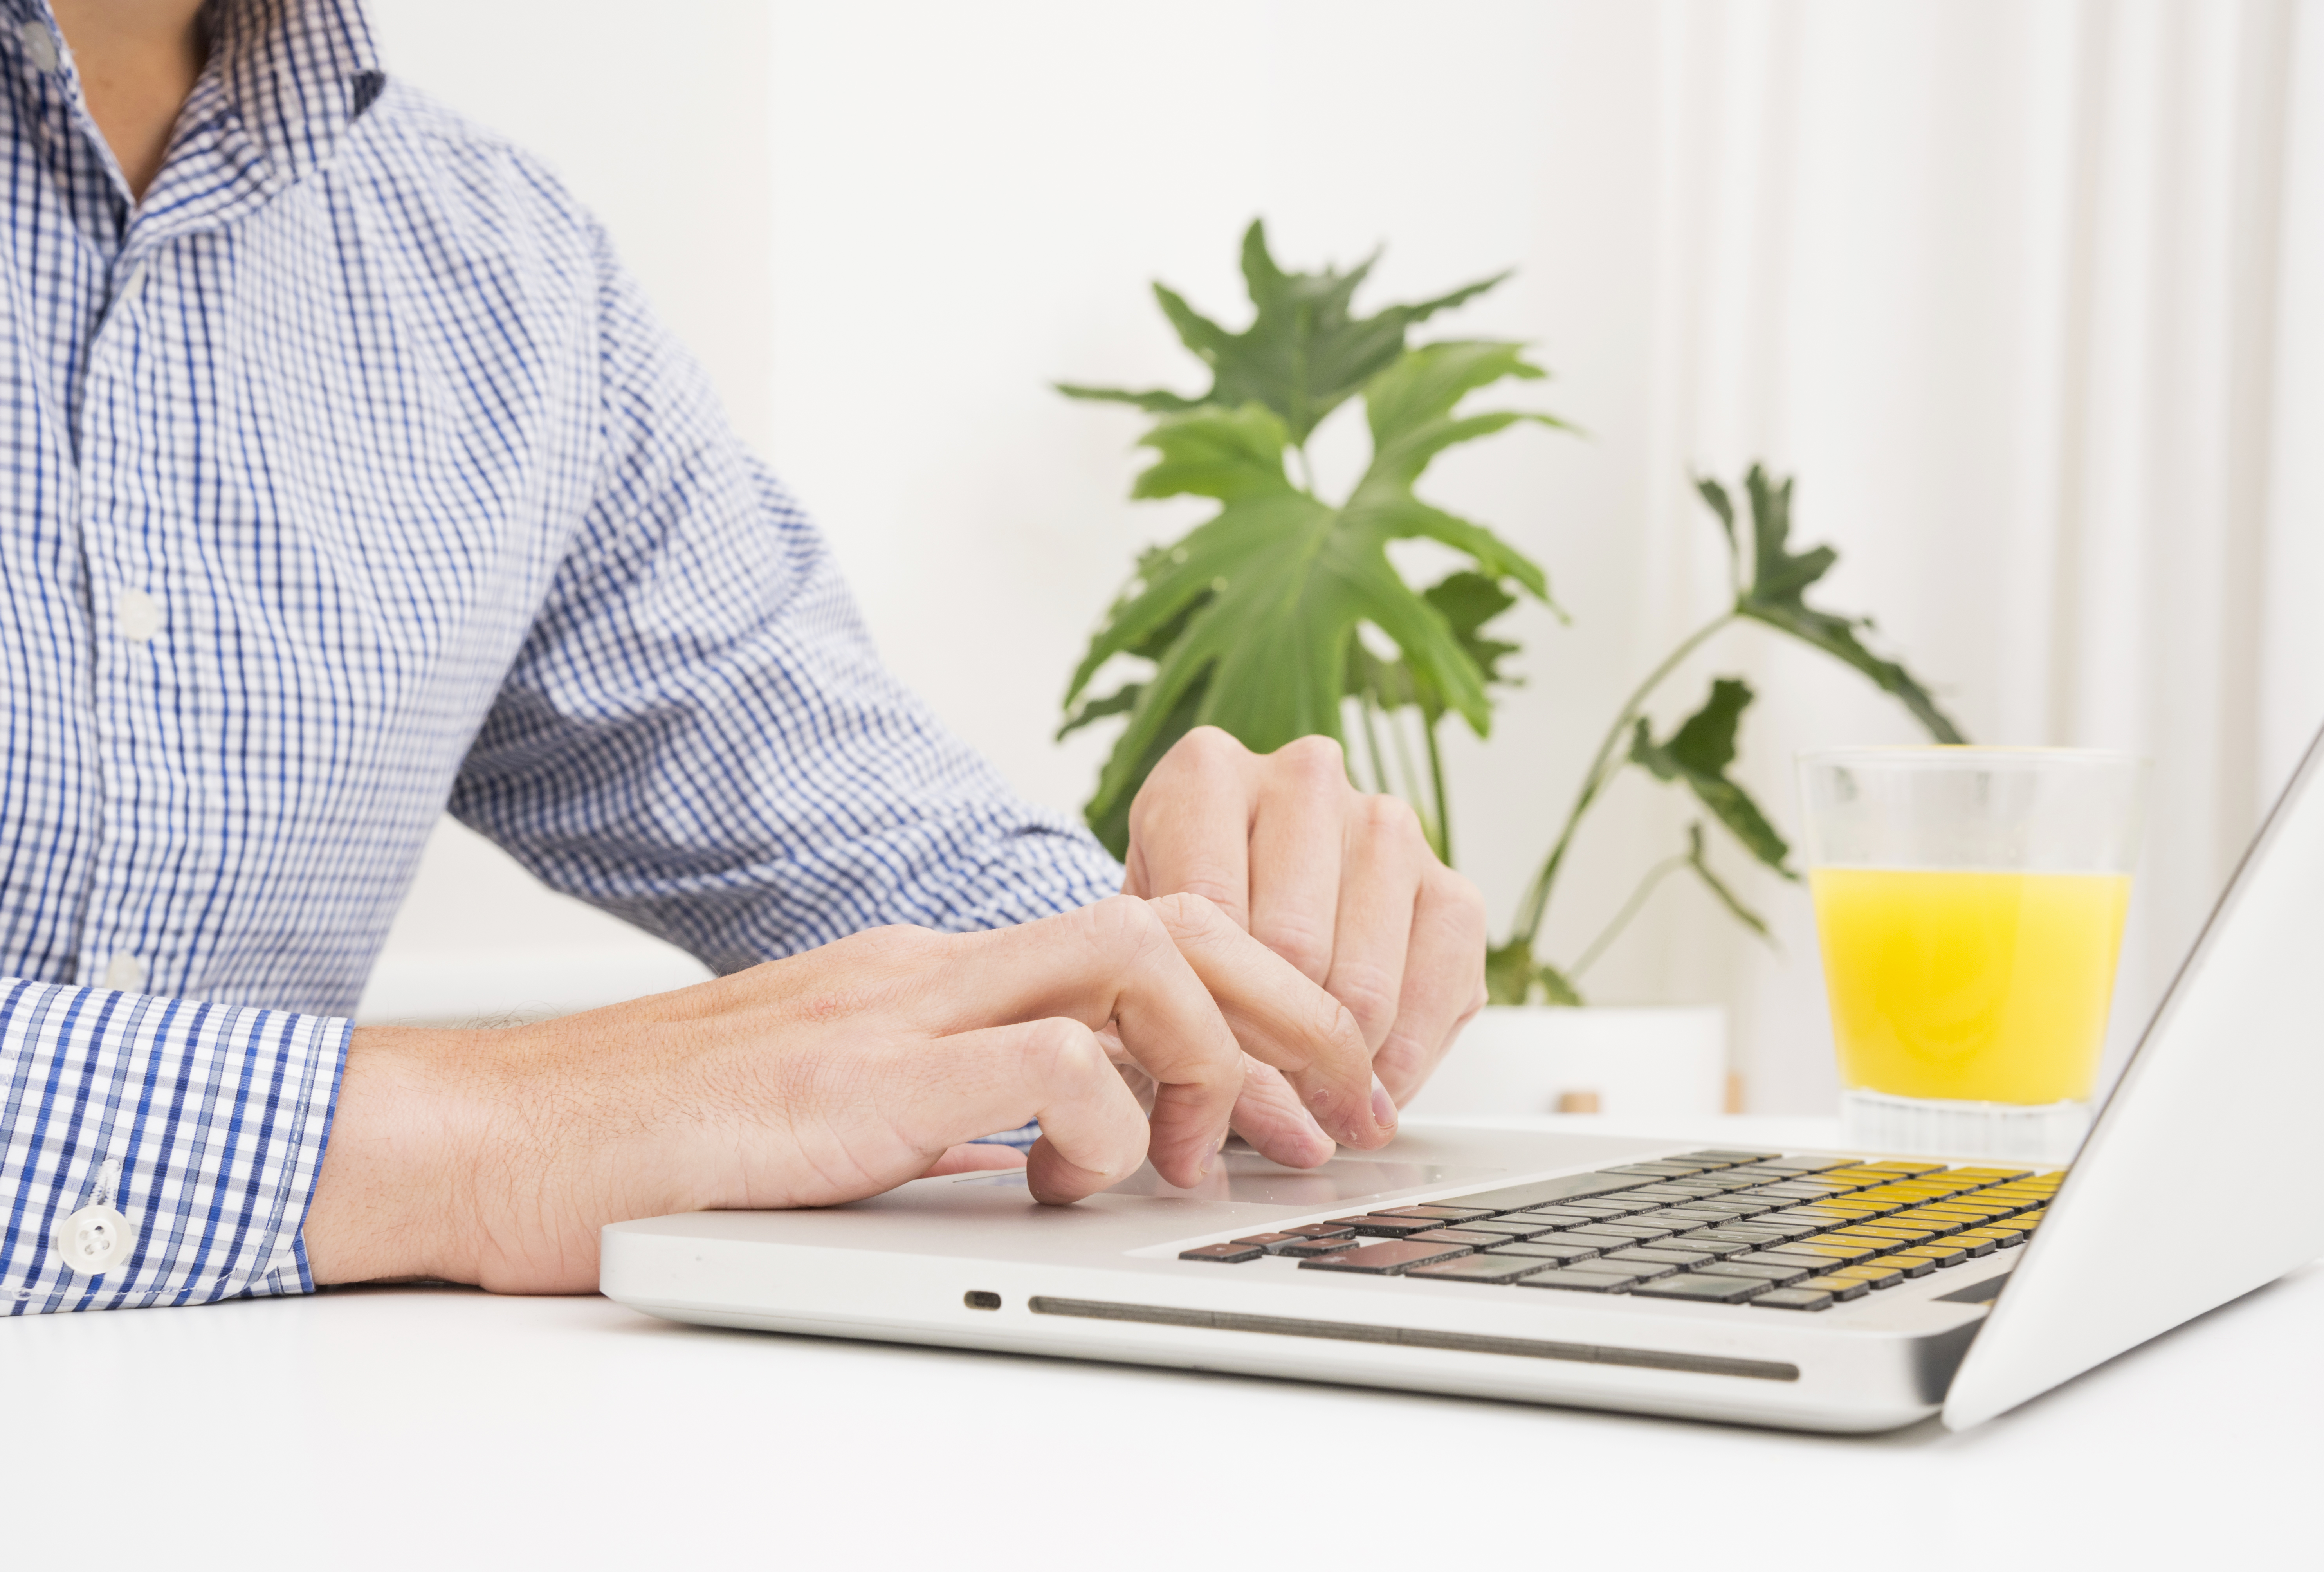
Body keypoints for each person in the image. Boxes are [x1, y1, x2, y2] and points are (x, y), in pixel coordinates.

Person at [0, 0, 1484, 1312]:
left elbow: (808, 787)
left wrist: (1203, 952)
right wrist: (487, 1132)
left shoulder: (492, 268)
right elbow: (502, 1134)